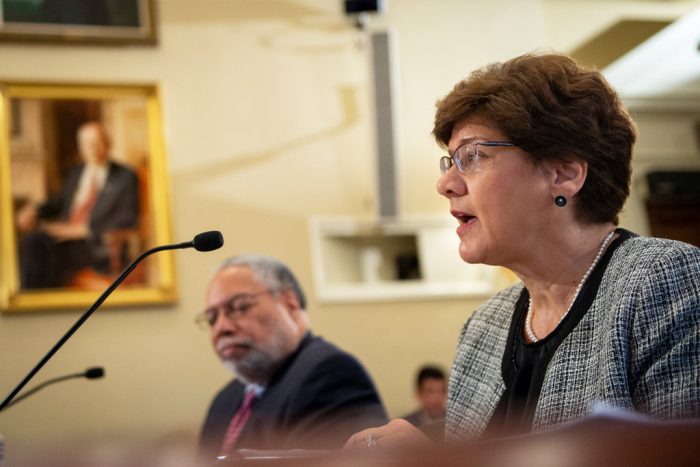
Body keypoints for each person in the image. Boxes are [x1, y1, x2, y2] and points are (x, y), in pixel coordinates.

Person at [345, 52, 700, 448]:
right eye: (449, 161)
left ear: (563, 173)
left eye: (472, 156)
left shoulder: (667, 280)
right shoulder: (483, 327)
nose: (445, 183)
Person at [198, 255, 388, 459]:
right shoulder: (225, 399)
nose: (221, 327)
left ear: (290, 305)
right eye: (212, 318)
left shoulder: (329, 374)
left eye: (239, 307)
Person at [16, 121, 140, 288]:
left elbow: (129, 217)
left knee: (41, 250)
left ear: (108, 144)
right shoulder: (76, 173)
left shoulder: (125, 176)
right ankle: (32, 305)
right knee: (31, 243)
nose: (92, 148)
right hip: (65, 238)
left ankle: (40, 304)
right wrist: (35, 211)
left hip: (97, 244)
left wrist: (85, 229)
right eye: (87, 144)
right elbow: (57, 202)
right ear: (80, 147)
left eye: (97, 143)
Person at [401, 365, 447, 440]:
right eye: (430, 392)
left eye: (442, 391)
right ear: (418, 393)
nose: (436, 398)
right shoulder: (405, 427)